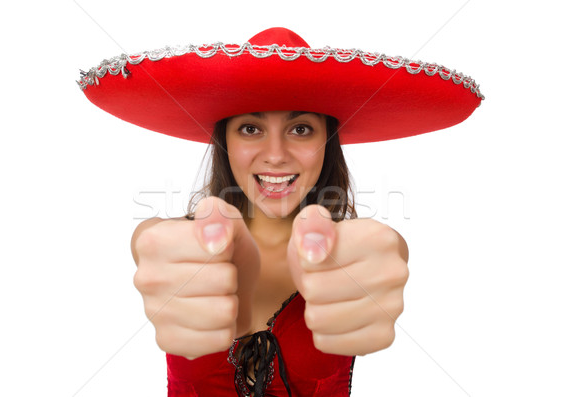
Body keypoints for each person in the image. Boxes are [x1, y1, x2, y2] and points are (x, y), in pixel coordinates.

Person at [79, 27, 483, 396]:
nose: (275, 155)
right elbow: (152, 245)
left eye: (301, 129)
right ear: (225, 142)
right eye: (251, 129)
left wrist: (380, 263)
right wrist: (158, 248)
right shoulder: (179, 244)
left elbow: (385, 251)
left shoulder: (357, 253)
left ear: (328, 141)